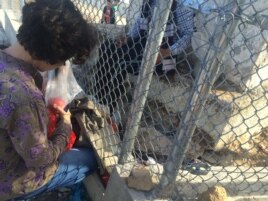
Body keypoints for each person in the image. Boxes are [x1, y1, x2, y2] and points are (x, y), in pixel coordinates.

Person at [0, 0, 99, 200]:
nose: (63, 64)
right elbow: (40, 160)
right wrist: (65, 126)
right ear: (52, 52)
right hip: (10, 184)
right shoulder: (24, 97)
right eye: (65, 58)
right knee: (89, 159)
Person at [93, 0, 194, 114]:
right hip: (143, 44)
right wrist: (128, 37)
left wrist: (167, 51)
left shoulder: (182, 5)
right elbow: (141, 21)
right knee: (107, 47)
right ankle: (97, 100)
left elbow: (188, 35)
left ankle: (108, 109)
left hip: (164, 55)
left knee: (122, 62)